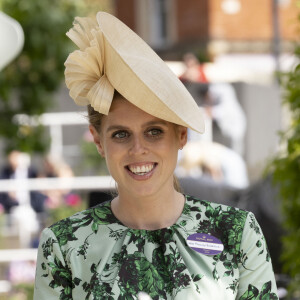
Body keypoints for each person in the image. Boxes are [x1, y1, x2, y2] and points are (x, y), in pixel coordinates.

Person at [34, 12, 278, 299]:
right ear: (99, 141)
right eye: (121, 134)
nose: (138, 149)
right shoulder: (64, 245)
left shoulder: (237, 233)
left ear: (181, 135)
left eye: (154, 131)